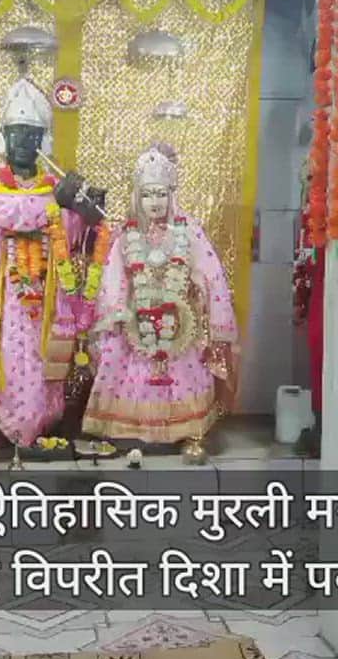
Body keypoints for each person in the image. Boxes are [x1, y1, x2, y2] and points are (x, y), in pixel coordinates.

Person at [0, 78, 104, 447]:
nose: (22, 143)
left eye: (31, 135)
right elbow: (9, 212)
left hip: (50, 289)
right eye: (15, 134)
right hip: (1, 292)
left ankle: (38, 431)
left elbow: (74, 236)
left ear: (43, 141)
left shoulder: (56, 184)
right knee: (9, 358)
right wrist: (60, 202)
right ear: (2, 137)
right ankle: (11, 430)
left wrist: (88, 210)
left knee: (42, 360)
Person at [82, 142, 238, 448]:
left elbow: (212, 276)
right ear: (137, 197)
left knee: (182, 366)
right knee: (125, 360)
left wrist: (213, 316)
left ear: (171, 196)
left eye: (162, 194)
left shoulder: (188, 230)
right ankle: (130, 430)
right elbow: (113, 279)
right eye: (148, 194)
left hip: (179, 322)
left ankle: (179, 429)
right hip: (134, 323)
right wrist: (118, 313)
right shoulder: (126, 233)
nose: (155, 201)